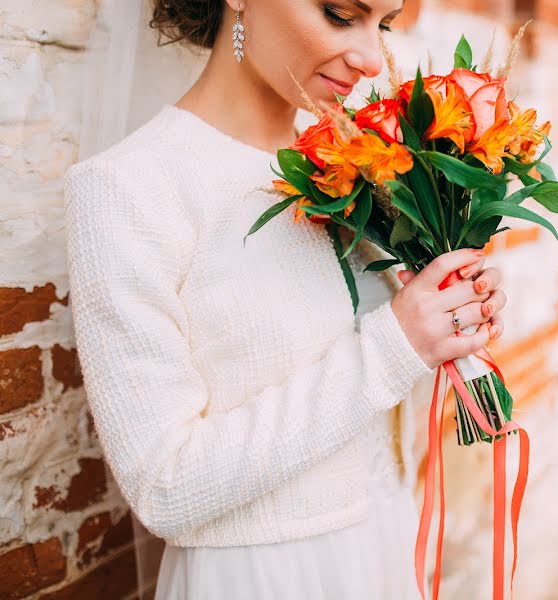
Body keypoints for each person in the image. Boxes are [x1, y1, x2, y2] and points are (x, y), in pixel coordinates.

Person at [62, 1, 509, 597]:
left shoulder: (358, 171)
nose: (373, 60)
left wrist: (451, 318)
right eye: (338, 12)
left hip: (383, 547)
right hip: (267, 574)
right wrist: (395, 345)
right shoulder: (130, 189)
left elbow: (379, 415)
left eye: (383, 24)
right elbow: (163, 486)